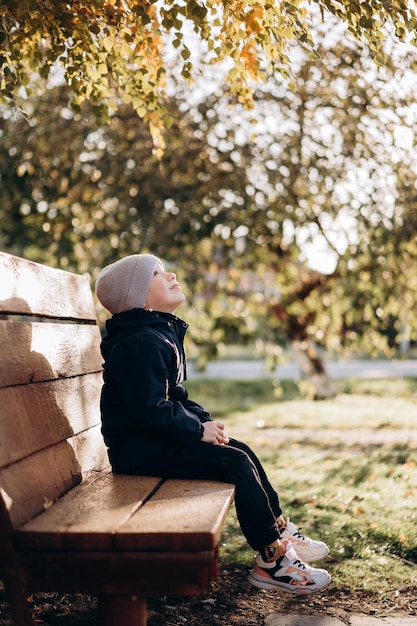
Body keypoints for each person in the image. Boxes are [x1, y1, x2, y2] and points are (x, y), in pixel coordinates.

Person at [95, 253, 331, 595]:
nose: (172, 274)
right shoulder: (139, 344)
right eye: (159, 274)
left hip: (154, 443)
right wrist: (195, 431)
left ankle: (276, 528)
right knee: (233, 463)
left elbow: (174, 397)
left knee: (239, 450)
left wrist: (204, 423)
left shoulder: (154, 334)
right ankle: (271, 559)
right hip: (140, 454)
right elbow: (151, 410)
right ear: (139, 299)